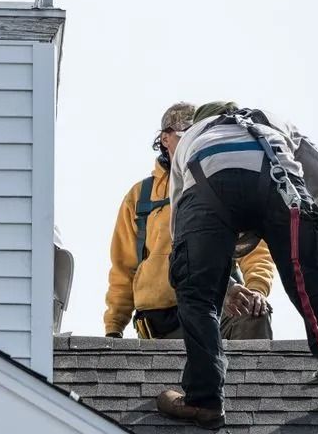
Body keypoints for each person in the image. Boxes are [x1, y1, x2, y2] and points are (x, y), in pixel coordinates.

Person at [157, 101, 318, 429]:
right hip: (280, 185)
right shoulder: (273, 120)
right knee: (312, 279)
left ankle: (203, 400)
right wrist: (316, 234)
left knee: (197, 294)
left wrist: (216, 270)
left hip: (207, 187)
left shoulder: (191, 138)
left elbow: (182, 231)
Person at [104, 102, 277, 341]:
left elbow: (255, 249)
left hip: (220, 303)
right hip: (162, 321)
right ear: (165, 139)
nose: (195, 140)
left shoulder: (222, 182)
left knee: (253, 313)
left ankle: (249, 378)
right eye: (187, 134)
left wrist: (256, 290)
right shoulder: (140, 196)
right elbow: (123, 268)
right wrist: (114, 327)